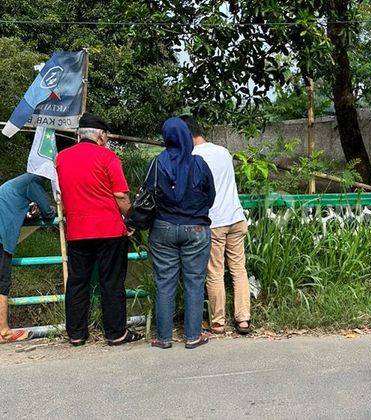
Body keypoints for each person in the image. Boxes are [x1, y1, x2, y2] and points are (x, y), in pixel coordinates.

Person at [56, 113, 143, 347]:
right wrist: (131, 218)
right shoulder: (108, 157)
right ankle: (116, 334)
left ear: (79, 134)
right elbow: (120, 196)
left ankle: (76, 334)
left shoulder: (61, 158)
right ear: (101, 136)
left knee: (77, 282)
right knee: (112, 282)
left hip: (77, 230)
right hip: (109, 230)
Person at [142, 117, 215, 349]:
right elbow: (210, 196)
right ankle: (193, 336)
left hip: (163, 228)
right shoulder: (200, 164)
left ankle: (163, 339)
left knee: (165, 282)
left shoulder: (156, 163)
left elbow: (146, 195)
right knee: (194, 282)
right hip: (196, 228)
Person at [184, 116, 251, 335]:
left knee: (215, 271)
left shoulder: (193, 156)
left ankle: (218, 321)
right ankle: (243, 320)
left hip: (214, 221)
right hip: (236, 217)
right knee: (239, 270)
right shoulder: (223, 151)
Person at [0, 174, 55, 342]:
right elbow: (48, 212)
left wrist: (30, 212)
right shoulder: (32, 182)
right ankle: (4, 331)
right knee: (2, 282)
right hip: (2, 235)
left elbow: (13, 208)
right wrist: (49, 209)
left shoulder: (15, 184)